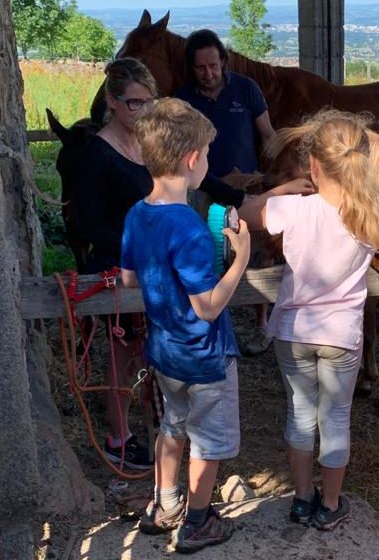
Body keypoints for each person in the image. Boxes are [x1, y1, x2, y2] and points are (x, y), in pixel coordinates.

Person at [74, 57, 252, 471]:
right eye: (135, 103)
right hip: (179, 321)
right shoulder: (98, 157)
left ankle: (166, 498)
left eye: (147, 101)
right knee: (201, 436)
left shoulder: (145, 194)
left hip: (159, 309)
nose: (142, 110)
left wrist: (258, 200)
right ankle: (195, 515)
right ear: (112, 102)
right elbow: (90, 225)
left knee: (171, 417)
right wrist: (238, 258)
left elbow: (133, 275)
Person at [238, 112, 379, 531]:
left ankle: (302, 499)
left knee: (300, 416)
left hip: (293, 330)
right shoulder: (372, 216)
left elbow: (244, 212)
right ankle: (330, 503)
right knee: (336, 419)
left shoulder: (291, 209)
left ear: (313, 165)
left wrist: (281, 190)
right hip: (342, 335)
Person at [176, 28, 276, 357]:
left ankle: (262, 326)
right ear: (191, 68)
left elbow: (268, 136)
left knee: (257, 253)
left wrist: (270, 179)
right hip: (204, 188)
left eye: (213, 66)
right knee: (207, 252)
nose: (208, 73)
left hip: (247, 185)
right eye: (201, 68)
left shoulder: (246, 89)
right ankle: (214, 320)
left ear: (224, 61)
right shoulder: (183, 100)